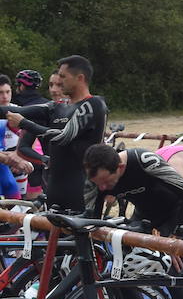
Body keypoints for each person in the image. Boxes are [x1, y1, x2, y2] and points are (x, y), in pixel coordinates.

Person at [1, 55, 107, 213]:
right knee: (54, 236)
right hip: (55, 187)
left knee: (83, 237)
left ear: (80, 78)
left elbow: (64, 137)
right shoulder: (56, 107)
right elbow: (15, 111)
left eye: (63, 77)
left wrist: (23, 123)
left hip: (82, 188)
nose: (60, 82)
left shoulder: (93, 104)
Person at [83, 144, 183, 237]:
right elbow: (92, 220)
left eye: (106, 182)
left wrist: (176, 237)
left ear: (120, 168)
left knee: (169, 263)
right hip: (144, 216)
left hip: (176, 213)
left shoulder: (144, 160)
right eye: (97, 183)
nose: (102, 188)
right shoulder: (95, 179)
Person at [11, 70, 46, 198]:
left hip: (25, 156)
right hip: (45, 157)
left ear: (21, 86)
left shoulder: (18, 107)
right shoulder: (47, 104)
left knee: (26, 203)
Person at [0, 75, 32, 199]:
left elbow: (33, 138)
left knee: (18, 204)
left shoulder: (19, 111)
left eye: (8, 92)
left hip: (18, 164)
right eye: (1, 92)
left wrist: (22, 157)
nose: (5, 96)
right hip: (5, 162)